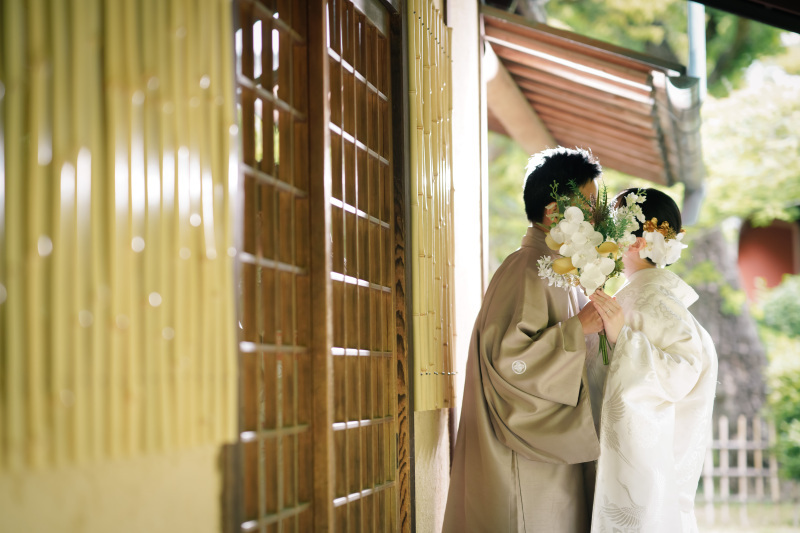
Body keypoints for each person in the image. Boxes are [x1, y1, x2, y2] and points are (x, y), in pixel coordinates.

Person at [443, 147, 606, 533]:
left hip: (546, 447)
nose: (598, 217)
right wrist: (576, 330)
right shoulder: (526, 268)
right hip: (522, 454)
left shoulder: (556, 269)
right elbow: (508, 360)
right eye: (591, 205)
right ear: (554, 213)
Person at [587, 188, 719, 533]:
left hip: (642, 463)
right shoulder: (642, 295)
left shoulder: (653, 299)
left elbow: (682, 371)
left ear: (633, 240)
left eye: (612, 226)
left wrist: (624, 339)